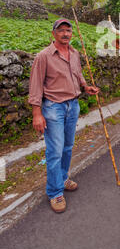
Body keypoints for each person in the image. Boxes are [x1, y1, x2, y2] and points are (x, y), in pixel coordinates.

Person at [28, 18, 99, 213]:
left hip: (73, 105)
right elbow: (35, 86)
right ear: (54, 34)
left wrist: (85, 86)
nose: (66, 33)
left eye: (68, 30)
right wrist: (37, 113)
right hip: (53, 108)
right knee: (55, 150)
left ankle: (63, 177)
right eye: (61, 30)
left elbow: (77, 74)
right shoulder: (44, 56)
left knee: (68, 146)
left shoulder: (74, 53)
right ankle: (54, 192)